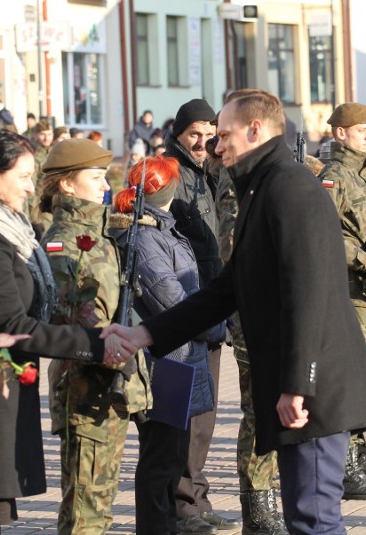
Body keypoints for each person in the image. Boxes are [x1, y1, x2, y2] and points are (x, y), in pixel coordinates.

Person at [102, 88, 366, 535]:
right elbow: (227, 289)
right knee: (305, 519)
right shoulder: (263, 185)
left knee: (314, 521)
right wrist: (147, 335)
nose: (216, 146)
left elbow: (309, 291)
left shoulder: (290, 187)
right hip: (301, 387)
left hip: (316, 391)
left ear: (255, 129)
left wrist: (297, 385)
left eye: (224, 135)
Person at [0, 127, 119, 535]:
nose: (28, 187)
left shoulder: (1, 229)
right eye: (22, 177)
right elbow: (12, 326)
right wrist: (95, 342)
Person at [38, 139, 151, 534]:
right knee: (86, 511)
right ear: (67, 185)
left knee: (96, 506)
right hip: (88, 388)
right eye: (96, 177)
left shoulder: (98, 231)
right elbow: (72, 316)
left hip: (109, 384)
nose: (105, 186)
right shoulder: (64, 240)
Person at [110, 156, 225, 535]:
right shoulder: (144, 236)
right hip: (165, 364)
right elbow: (172, 299)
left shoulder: (161, 228)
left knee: (171, 456)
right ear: (165, 188)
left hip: (179, 357)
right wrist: (213, 325)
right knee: (161, 458)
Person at [163, 98, 239, 534]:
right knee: (183, 413)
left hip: (210, 303)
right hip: (181, 306)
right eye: (194, 133)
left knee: (205, 416)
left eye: (209, 134)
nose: (202, 141)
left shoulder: (210, 171)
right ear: (178, 133)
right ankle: (180, 505)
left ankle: (197, 495)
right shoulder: (166, 173)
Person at [211, 118, 287, 534]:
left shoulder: (268, 181)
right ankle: (257, 509)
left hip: (274, 316)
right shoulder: (236, 187)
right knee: (258, 412)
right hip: (249, 316)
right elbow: (233, 254)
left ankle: (269, 500)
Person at [318, 102, 366, 499]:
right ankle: (344, 468)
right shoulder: (335, 176)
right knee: (349, 381)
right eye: (360, 130)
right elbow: (327, 233)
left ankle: (358, 455)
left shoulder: (360, 174)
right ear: (340, 134)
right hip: (353, 290)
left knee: (365, 378)